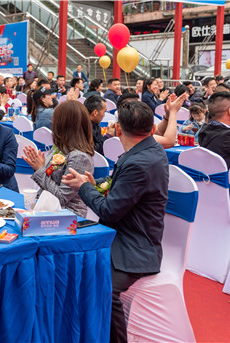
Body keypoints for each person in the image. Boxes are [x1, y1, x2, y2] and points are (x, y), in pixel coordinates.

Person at [62, 99, 172, 343]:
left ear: (118, 130)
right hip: (126, 234)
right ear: (152, 130)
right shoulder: (149, 151)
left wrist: (83, 188)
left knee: (104, 288)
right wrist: (94, 186)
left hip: (135, 246)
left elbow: (109, 212)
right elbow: (123, 196)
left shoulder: (139, 162)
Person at [22, 100, 95, 217]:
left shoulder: (79, 157)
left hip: (68, 215)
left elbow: (61, 197)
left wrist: (40, 169)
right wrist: (39, 168)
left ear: (62, 124)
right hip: (48, 207)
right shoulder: (61, 147)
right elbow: (50, 179)